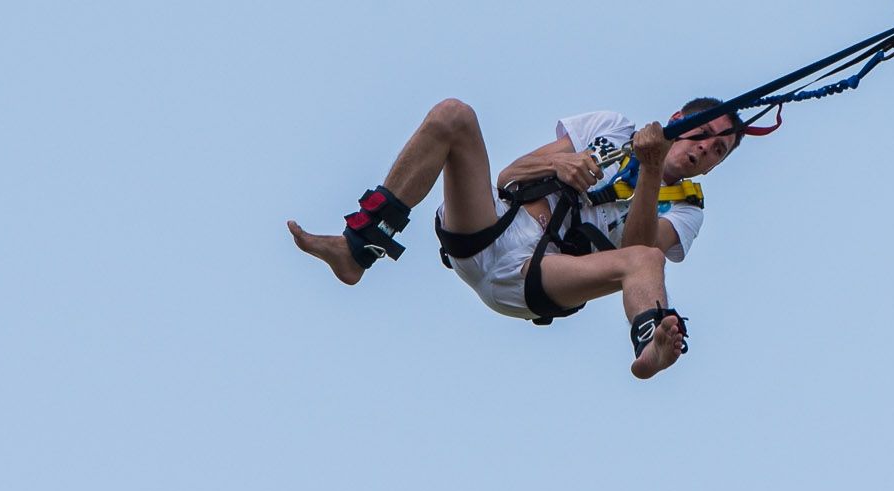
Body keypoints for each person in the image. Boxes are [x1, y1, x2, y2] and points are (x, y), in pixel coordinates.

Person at [288, 97, 742, 380]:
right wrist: (560, 164)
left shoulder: (687, 209)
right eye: (702, 134)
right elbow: (510, 175)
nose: (705, 148)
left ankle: (650, 343)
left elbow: (636, 248)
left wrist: (650, 168)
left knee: (648, 260)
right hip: (492, 227)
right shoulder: (612, 127)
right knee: (454, 115)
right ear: (677, 119)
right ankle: (356, 249)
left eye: (718, 150)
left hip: (538, 276)